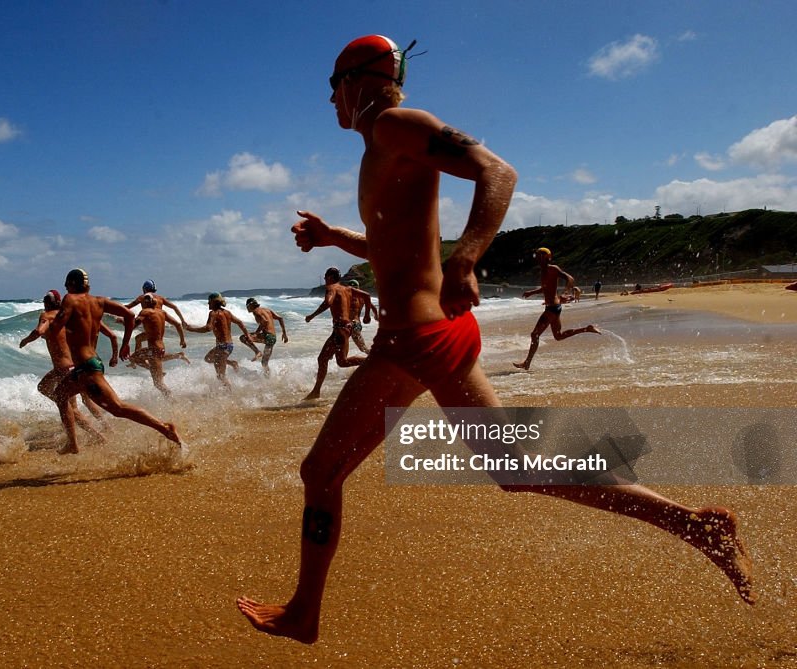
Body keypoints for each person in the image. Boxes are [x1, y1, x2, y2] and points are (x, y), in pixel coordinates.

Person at [236, 34, 753, 645]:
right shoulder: (383, 146)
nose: (330, 104)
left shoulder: (396, 124)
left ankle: (304, 613)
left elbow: (497, 172)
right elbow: (395, 247)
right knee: (511, 469)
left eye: (332, 88)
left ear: (358, 82)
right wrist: (332, 237)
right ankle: (693, 526)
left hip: (420, 338)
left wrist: (469, 259)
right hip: (418, 339)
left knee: (323, 472)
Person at [50, 269, 180, 454]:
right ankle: (72, 443)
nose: (65, 288)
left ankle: (165, 428)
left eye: (67, 284)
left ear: (72, 284)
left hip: (87, 368)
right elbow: (128, 315)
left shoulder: (70, 299)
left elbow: (56, 328)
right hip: (86, 366)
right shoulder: (99, 301)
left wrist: (53, 324)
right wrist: (125, 344)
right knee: (61, 395)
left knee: (118, 408)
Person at [19, 289, 119, 441]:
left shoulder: (46, 316)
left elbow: (39, 331)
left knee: (72, 406)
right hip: (77, 365)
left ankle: (97, 436)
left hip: (64, 369)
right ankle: (104, 426)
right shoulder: (66, 317)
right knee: (46, 388)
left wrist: (26, 340)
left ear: (47, 302)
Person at [513, 248, 601, 371]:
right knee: (558, 336)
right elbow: (545, 287)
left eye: (540, 256)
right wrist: (532, 292)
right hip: (553, 307)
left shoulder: (552, 269)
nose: (538, 258)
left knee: (535, 334)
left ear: (547, 257)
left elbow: (570, 278)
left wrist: (565, 292)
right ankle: (587, 328)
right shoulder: (543, 271)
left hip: (552, 308)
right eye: (537, 256)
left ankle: (527, 363)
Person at [300, 267, 367, 400]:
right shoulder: (346, 289)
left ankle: (371, 362)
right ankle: (316, 391)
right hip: (343, 328)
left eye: (325, 276)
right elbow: (366, 295)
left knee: (342, 362)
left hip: (341, 329)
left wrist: (312, 316)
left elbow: (328, 302)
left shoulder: (332, 288)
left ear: (330, 277)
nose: (324, 279)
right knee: (322, 359)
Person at [184, 293, 252, 388]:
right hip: (229, 345)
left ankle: (230, 393)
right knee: (208, 358)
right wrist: (247, 334)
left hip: (222, 347)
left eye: (209, 301)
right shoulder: (227, 313)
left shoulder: (213, 313)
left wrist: (191, 329)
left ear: (214, 302)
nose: (208, 303)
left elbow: (208, 328)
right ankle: (232, 363)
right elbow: (240, 322)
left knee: (221, 376)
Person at [129, 293, 190, 396]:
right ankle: (178, 355)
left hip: (153, 351)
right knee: (138, 357)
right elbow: (178, 324)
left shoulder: (145, 312)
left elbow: (133, 325)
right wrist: (182, 340)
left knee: (158, 384)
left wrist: (123, 322)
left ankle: (172, 401)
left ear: (145, 303)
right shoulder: (162, 312)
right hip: (160, 349)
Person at [124, 279, 189, 356]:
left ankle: (138, 359)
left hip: (150, 326)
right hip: (159, 327)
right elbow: (174, 307)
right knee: (156, 351)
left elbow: (128, 307)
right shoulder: (161, 298)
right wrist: (183, 320)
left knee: (151, 349)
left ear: (145, 289)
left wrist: (113, 309)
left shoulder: (143, 297)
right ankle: (178, 355)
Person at [242, 297, 289, 374]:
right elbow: (280, 318)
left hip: (267, 336)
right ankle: (268, 379)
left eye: (247, 306)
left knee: (243, 337)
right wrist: (284, 334)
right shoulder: (267, 310)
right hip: (273, 338)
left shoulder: (256, 312)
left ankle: (257, 352)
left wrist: (256, 333)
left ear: (251, 305)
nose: (247, 308)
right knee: (264, 363)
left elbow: (265, 322)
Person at [344, 278, 377, 353]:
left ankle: (375, 358)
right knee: (363, 348)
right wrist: (376, 316)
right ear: (358, 288)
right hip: (356, 324)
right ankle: (375, 356)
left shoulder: (346, 297)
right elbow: (373, 308)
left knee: (340, 345)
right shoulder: (362, 297)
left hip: (348, 324)